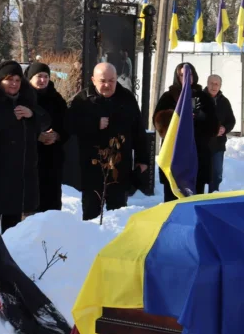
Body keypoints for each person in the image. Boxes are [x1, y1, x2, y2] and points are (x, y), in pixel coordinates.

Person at [0, 61, 50, 232]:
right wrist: (9, 117)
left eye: (17, 79)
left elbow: (45, 120)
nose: (14, 84)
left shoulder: (26, 98)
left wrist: (31, 115)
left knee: (14, 228)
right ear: (0, 81)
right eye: (9, 80)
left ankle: (12, 255)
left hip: (20, 173)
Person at [68, 62, 149, 220]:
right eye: (103, 81)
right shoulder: (82, 100)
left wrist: (142, 159)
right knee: (91, 214)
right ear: (93, 80)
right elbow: (69, 126)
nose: (107, 85)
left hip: (119, 166)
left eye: (111, 81)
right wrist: (93, 124)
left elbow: (139, 131)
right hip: (92, 166)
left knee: (117, 214)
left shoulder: (127, 98)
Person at [153, 62, 218, 200]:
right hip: (174, 153)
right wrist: (177, 115)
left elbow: (214, 127)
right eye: (182, 75)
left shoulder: (203, 97)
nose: (186, 78)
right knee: (172, 197)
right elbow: (158, 122)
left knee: (195, 197)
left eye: (190, 74)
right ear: (177, 77)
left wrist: (201, 116)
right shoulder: (169, 96)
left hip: (197, 154)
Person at [26, 61, 68, 212]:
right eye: (39, 76)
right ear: (30, 78)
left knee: (52, 200)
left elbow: (67, 124)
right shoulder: (24, 98)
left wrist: (57, 135)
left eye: (46, 76)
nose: (43, 80)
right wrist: (38, 136)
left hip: (53, 157)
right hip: (31, 157)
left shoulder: (57, 99)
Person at [207, 74, 236, 192]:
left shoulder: (224, 102)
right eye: (212, 83)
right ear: (207, 83)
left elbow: (231, 120)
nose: (214, 86)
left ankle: (213, 196)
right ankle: (197, 199)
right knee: (200, 174)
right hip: (201, 144)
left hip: (218, 144)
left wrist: (224, 129)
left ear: (220, 86)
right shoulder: (198, 98)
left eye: (216, 84)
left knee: (217, 173)